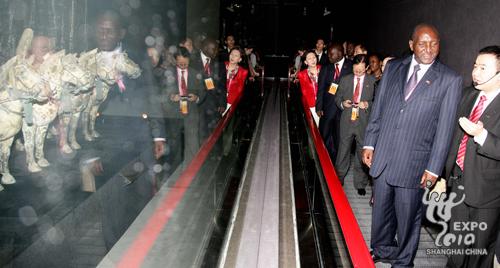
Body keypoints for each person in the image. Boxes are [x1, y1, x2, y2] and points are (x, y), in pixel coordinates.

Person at [361, 24, 462, 267]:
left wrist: (434, 168)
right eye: (422, 43)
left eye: (434, 43)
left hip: (415, 163)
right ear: (411, 45)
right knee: (381, 211)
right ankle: (383, 249)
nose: (429, 48)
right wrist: (370, 144)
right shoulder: (394, 67)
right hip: (383, 156)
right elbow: (379, 108)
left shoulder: (450, 79)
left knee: (408, 218)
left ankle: (404, 261)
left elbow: (445, 128)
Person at [443, 45, 500, 268]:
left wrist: (482, 135)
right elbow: (453, 138)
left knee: (479, 253)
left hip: (488, 194)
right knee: (456, 249)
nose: (475, 72)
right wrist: (443, 175)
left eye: (483, 68)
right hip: (458, 184)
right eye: (475, 66)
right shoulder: (469, 95)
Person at [151, 47, 203, 166]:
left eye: (185, 63)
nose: (183, 65)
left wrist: (197, 97)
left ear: (189, 59)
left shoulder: (196, 74)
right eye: (180, 63)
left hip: (191, 114)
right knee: (174, 146)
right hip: (174, 114)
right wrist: (170, 97)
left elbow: (203, 92)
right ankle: (174, 172)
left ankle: (193, 171)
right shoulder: (167, 74)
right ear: (175, 60)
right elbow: (161, 94)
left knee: (193, 144)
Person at [334, 54, 375, 194]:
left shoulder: (373, 81)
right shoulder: (345, 80)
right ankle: (338, 178)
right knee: (343, 152)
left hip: (363, 123)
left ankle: (360, 183)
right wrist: (342, 103)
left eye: (361, 70)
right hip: (346, 121)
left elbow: (378, 103)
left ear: (367, 68)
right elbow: (337, 96)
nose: (357, 73)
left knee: (360, 153)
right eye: (355, 70)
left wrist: (367, 104)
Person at [315, 43, 353, 162]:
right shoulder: (326, 67)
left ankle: (336, 164)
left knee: (339, 139)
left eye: (331, 54)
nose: (328, 56)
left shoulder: (351, 66)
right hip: (327, 108)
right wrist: (319, 107)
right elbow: (320, 88)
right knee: (324, 136)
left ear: (340, 53)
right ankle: (322, 161)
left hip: (343, 110)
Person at [191, 38, 227, 141]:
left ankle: (213, 155)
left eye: (217, 49)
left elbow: (222, 85)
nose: (216, 52)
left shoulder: (219, 64)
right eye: (214, 49)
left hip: (214, 106)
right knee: (198, 135)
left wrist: (222, 103)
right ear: (205, 48)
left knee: (214, 137)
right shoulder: (192, 61)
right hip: (197, 105)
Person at [296, 51, 321, 126]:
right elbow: (304, 93)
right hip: (312, 105)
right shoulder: (302, 74)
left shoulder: (323, 69)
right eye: (309, 59)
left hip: (324, 103)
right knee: (316, 126)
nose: (313, 60)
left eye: (314, 57)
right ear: (306, 62)